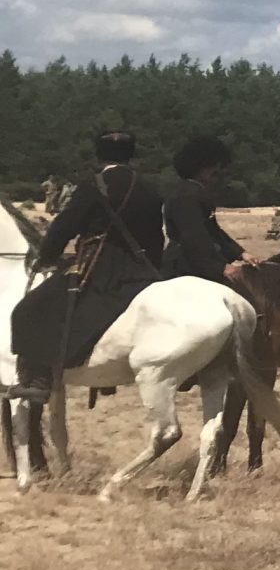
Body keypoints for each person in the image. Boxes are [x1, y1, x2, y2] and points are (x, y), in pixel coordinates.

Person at [6, 130, 166, 404]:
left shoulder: (94, 186)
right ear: (131, 154)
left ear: (100, 155)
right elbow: (155, 238)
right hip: (143, 269)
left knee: (30, 309)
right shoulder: (149, 189)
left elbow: (65, 226)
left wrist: (47, 255)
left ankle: (39, 380)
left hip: (100, 266)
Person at [163, 136, 251, 291]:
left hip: (199, 263)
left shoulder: (195, 192)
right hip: (186, 267)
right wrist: (219, 268)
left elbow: (214, 231)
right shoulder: (186, 196)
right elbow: (194, 237)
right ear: (201, 169)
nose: (217, 173)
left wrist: (241, 253)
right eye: (213, 169)